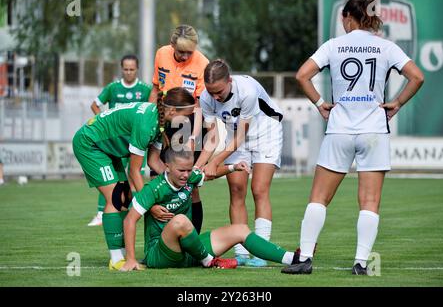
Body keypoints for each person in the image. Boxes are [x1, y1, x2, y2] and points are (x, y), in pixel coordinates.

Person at [281, 0, 424, 275]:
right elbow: (417, 76)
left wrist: (321, 104)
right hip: (374, 131)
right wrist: (396, 102)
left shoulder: (334, 45)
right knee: (369, 202)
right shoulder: (385, 46)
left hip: (339, 129)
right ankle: (361, 263)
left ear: (348, 18)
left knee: (319, 198)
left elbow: (301, 75)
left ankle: (305, 258)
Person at [72, 87, 196, 270]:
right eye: (186, 115)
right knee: (116, 197)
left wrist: (173, 181)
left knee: (124, 198)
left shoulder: (162, 122)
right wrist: (150, 204)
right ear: (172, 111)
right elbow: (134, 171)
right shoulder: (147, 124)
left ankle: (119, 255)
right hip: (90, 144)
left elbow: (154, 161)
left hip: (107, 149)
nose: (188, 120)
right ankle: (116, 260)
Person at [121, 148, 299, 271]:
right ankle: (208, 261)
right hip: (160, 255)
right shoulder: (153, 188)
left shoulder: (190, 177)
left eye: (189, 170)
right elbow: (130, 220)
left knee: (240, 229)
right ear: (167, 166)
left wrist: (233, 167)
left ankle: (294, 258)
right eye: (181, 170)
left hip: (190, 250)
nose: (186, 175)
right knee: (180, 221)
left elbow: (208, 175)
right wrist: (131, 259)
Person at [196, 59, 284, 267]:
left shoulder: (247, 91)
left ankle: (261, 253)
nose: (215, 97)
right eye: (211, 92)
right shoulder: (206, 97)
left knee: (259, 189)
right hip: (234, 136)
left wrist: (216, 161)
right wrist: (200, 165)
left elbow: (242, 135)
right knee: (236, 189)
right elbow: (213, 137)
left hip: (266, 133)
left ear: (229, 81)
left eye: (219, 92)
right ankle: (241, 251)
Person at [149, 24, 210, 236]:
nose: (185, 56)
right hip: (164, 119)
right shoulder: (161, 54)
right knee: (157, 183)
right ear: (172, 44)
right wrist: (151, 120)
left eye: (189, 52)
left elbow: (201, 105)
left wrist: (194, 136)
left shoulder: (202, 63)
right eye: (181, 51)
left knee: (189, 186)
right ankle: (159, 238)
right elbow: (156, 89)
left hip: (189, 123)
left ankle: (193, 240)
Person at [87, 54, 152, 227]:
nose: (129, 72)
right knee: (109, 176)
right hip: (117, 142)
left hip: (137, 141)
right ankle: (101, 213)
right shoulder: (113, 88)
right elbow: (95, 104)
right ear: (121, 69)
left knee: (134, 176)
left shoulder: (145, 89)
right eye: (125, 69)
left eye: (132, 69)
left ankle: (134, 211)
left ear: (136, 69)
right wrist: (104, 124)